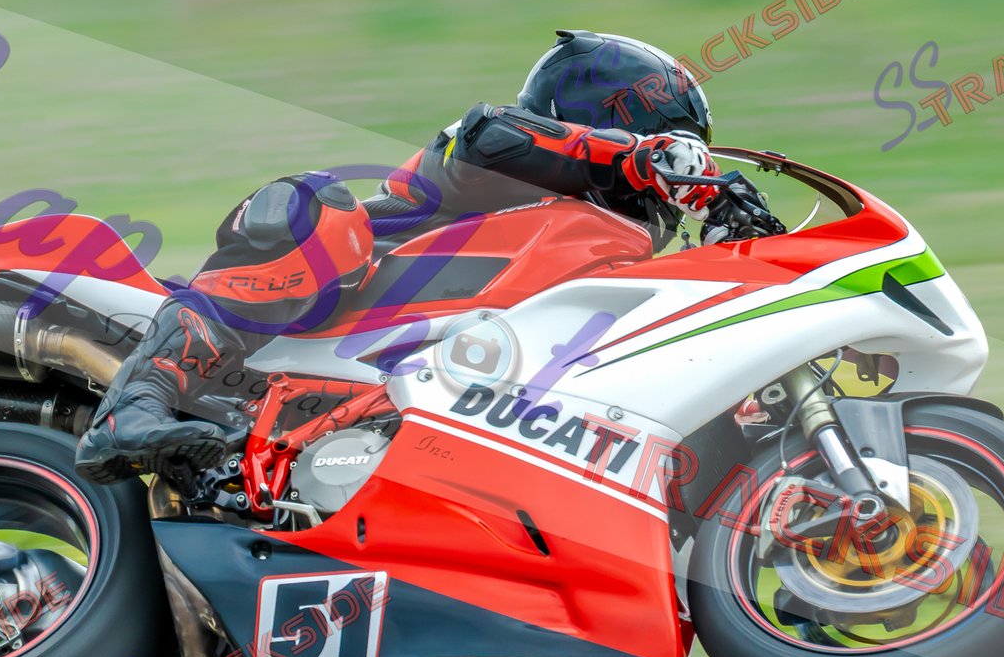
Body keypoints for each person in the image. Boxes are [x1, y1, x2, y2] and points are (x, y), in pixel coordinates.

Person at [74, 30, 734, 484]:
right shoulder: (496, 159)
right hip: (313, 320)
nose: (682, 177)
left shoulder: (604, 257)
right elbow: (487, 134)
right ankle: (135, 404)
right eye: (676, 151)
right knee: (317, 208)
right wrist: (633, 156)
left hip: (405, 399)